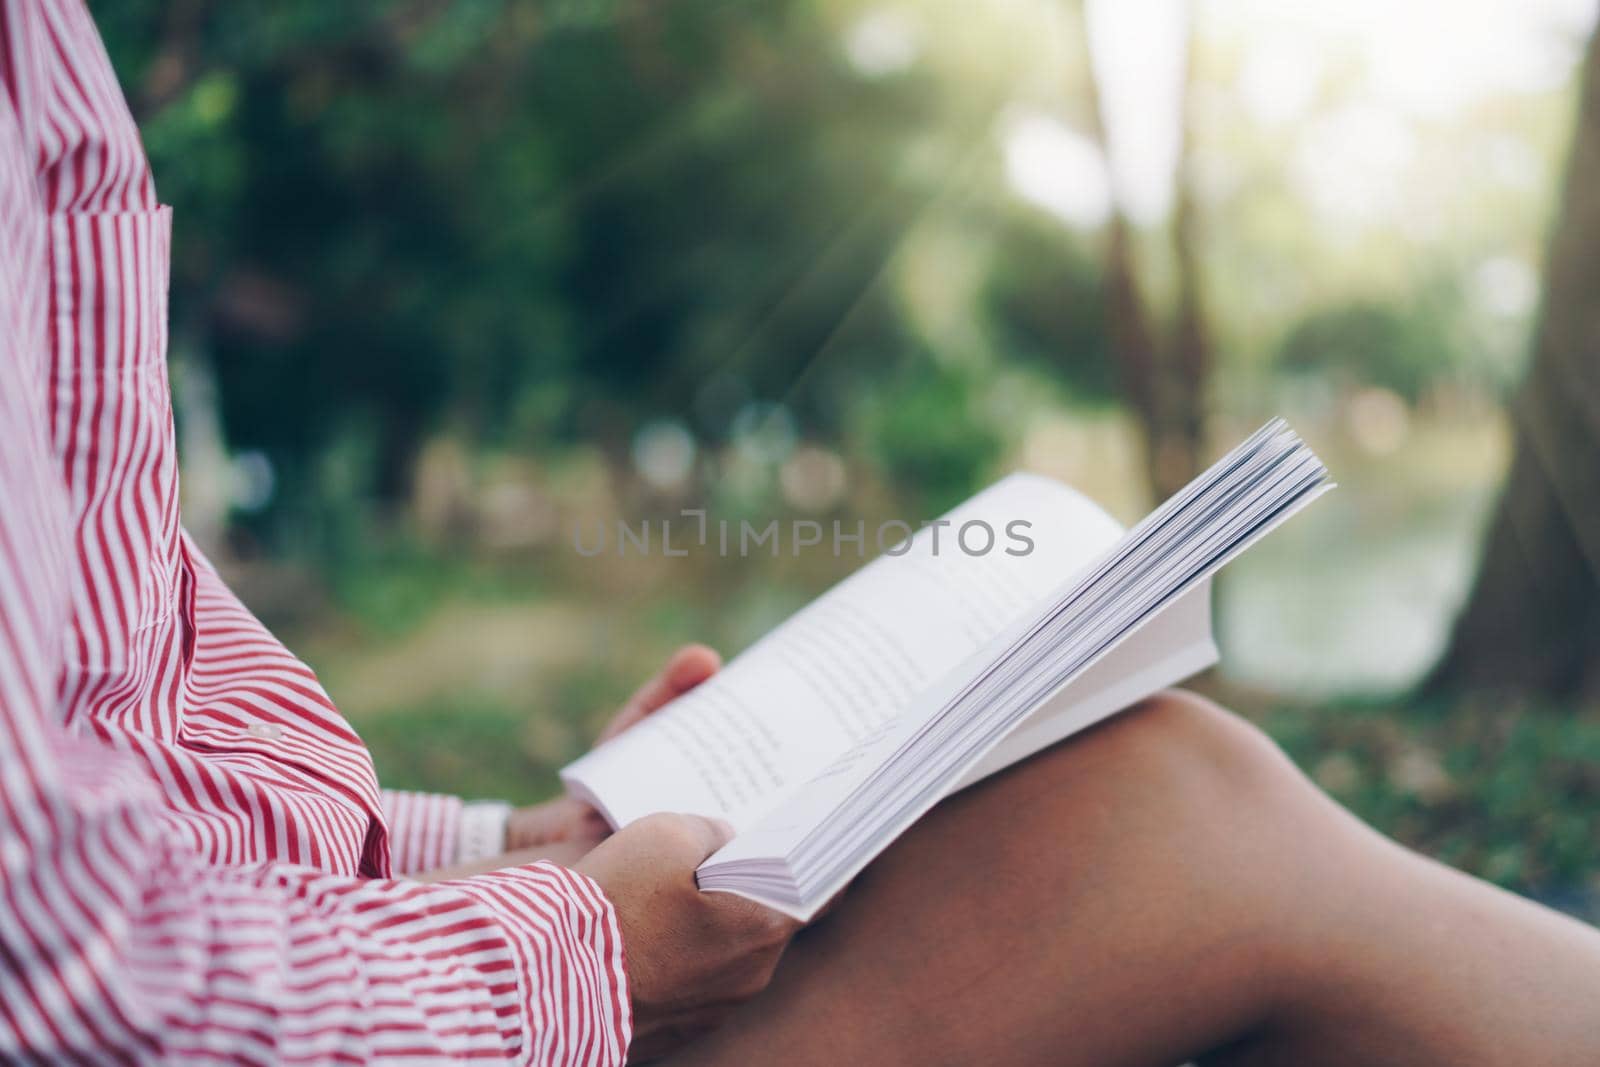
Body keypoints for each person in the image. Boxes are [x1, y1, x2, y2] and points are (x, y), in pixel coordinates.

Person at [0, 1, 1596, 1063]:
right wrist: (581, 946)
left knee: (1160, 780)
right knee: (1170, 832)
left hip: (324, 944)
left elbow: (124, 737)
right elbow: (65, 976)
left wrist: (504, 844)